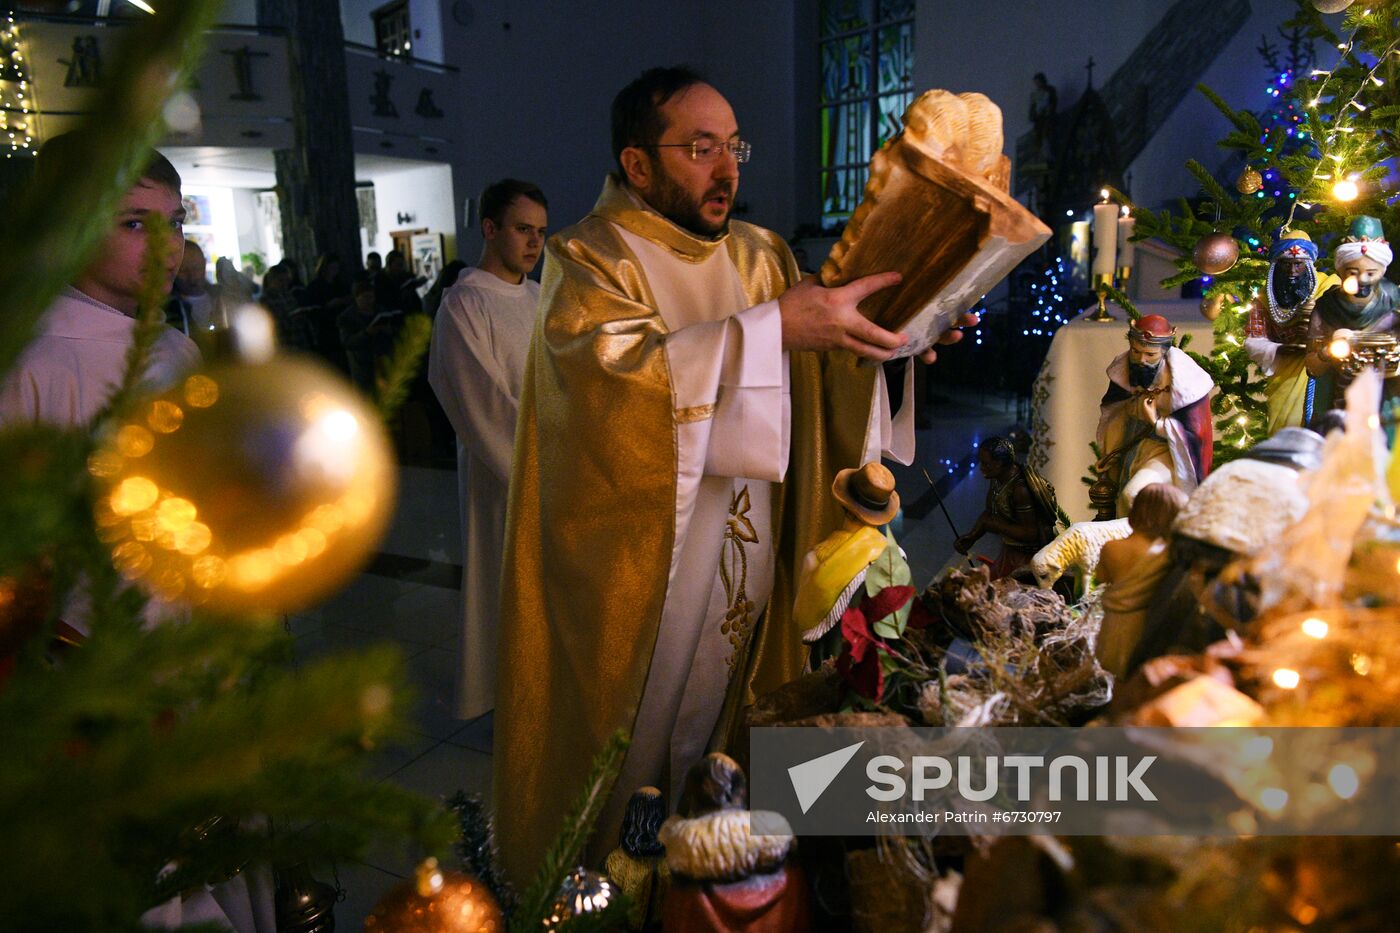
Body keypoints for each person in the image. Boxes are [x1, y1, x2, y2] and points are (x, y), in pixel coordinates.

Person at [494, 65, 974, 884]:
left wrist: (890, 341)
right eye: (701, 148)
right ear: (637, 164)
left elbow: (819, 367)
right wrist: (772, 328)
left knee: (735, 734)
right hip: (649, 572)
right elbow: (611, 389)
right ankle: (613, 887)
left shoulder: (761, 255)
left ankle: (729, 876)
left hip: (750, 562)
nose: (728, 171)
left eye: (734, 147)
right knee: (639, 750)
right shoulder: (588, 257)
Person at [427, 178, 548, 721]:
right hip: (505, 476)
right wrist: (541, 465)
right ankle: (515, 712)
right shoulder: (464, 305)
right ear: (490, 228)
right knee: (508, 593)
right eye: (523, 230)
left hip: (556, 468)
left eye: (542, 233)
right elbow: (479, 402)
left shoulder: (541, 296)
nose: (534, 243)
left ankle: (548, 706)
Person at [1, 142, 199, 428]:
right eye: (134, 224)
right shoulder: (25, 362)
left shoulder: (180, 348)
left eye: (173, 224)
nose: (167, 246)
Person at [1091, 314, 1214, 519]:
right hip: (1135, 448)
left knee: (1134, 495)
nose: (1141, 360)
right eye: (1136, 351)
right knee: (1124, 496)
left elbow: (1193, 434)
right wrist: (1111, 453)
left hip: (1170, 453)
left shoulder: (1186, 380)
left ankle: (1143, 545)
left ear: (1164, 352)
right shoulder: (1125, 370)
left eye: (1150, 354)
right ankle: (1125, 545)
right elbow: (1114, 413)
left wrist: (1156, 423)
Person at [1305, 215, 1400, 418]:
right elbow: (1313, 367)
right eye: (1353, 272)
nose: (1362, 280)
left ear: (1382, 271)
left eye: (1371, 273)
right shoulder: (1327, 306)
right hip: (1340, 396)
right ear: (1341, 271)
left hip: (1387, 396)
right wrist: (1330, 351)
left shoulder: (1395, 300)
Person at [1245, 230, 1337, 432]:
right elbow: (1253, 339)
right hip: (1285, 375)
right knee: (1285, 428)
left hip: (1324, 368)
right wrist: (1282, 350)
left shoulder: (1329, 288)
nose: (1292, 271)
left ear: (1309, 265)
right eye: (1286, 264)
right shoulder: (1263, 299)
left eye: (1299, 264)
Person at [1093, 483, 1188, 679]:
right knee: (1133, 673)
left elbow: (1102, 578)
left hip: (1112, 622)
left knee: (1109, 670)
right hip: (1145, 623)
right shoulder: (1166, 554)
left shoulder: (1111, 547)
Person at [955, 436, 1059, 579]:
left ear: (999, 463)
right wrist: (973, 536)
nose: (981, 468)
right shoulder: (998, 480)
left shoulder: (1020, 490)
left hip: (1028, 559)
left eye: (986, 464)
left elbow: (1030, 533)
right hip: (1010, 551)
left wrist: (995, 525)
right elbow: (990, 514)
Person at [336, 276, 397, 396]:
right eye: (365, 297)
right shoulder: (346, 317)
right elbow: (347, 342)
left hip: (383, 362)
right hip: (362, 365)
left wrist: (388, 330)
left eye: (371, 297)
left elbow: (394, 332)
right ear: (357, 298)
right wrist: (367, 333)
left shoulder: (380, 310)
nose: (369, 301)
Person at [168, 238, 217, 336]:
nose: (192, 276)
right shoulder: (168, 309)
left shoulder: (222, 298)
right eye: (184, 270)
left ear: (205, 264)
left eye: (196, 268)